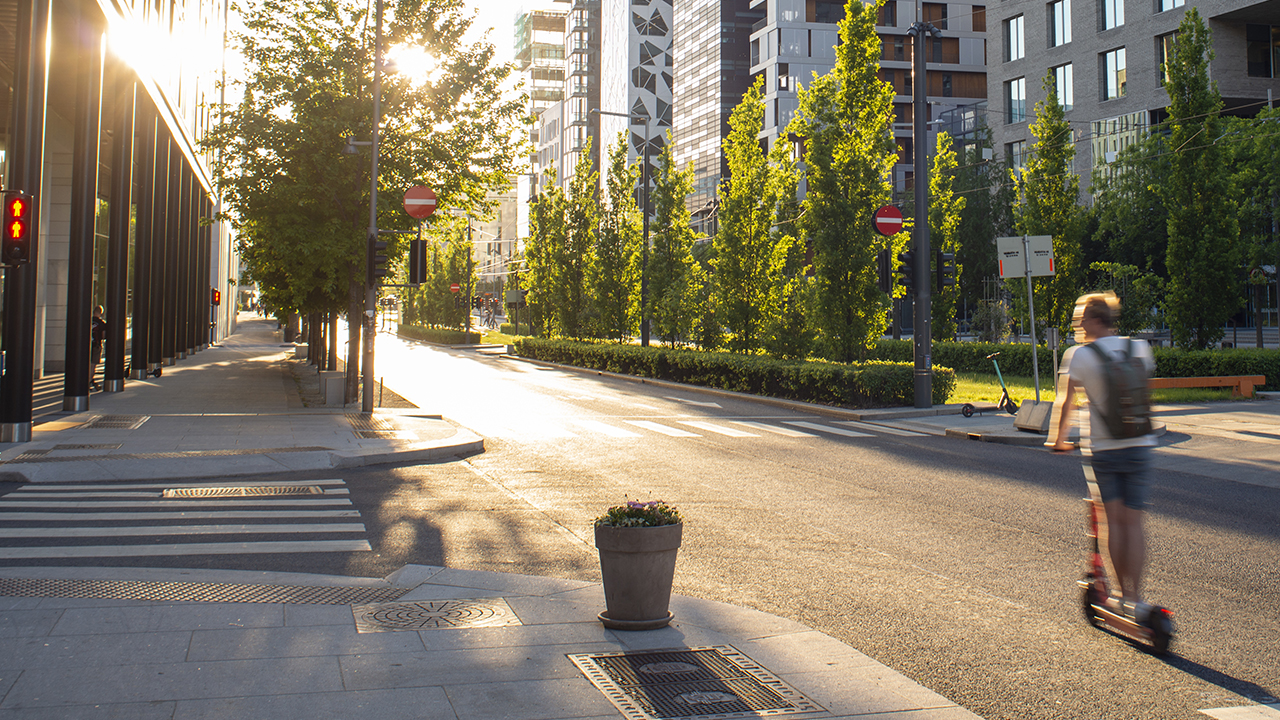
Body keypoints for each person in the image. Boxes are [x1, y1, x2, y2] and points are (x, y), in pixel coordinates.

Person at [1046, 291, 1157, 620]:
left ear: (1095, 320)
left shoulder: (1079, 356)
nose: (1078, 326)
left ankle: (1121, 595)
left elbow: (1065, 403)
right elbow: (1144, 396)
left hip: (1106, 451)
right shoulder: (1138, 347)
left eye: (1081, 320)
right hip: (1140, 446)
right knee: (1133, 523)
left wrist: (1059, 440)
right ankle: (1135, 597)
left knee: (1112, 524)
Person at [89, 305, 107, 391]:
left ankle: (87, 381)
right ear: (101, 313)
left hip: (87, 345)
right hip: (96, 345)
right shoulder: (101, 323)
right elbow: (103, 335)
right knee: (93, 365)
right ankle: (89, 381)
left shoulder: (88, 320)